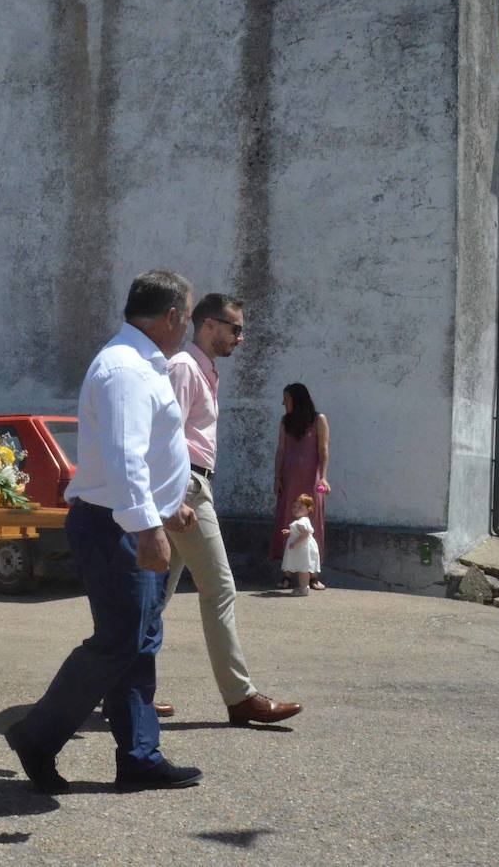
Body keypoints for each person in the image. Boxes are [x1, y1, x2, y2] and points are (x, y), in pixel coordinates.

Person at [5, 270, 202, 794]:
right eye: (188, 316)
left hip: (129, 519)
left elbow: (143, 455)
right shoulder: (125, 369)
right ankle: (37, 736)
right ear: (173, 316)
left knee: (139, 641)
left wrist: (166, 508)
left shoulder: (142, 364)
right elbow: (122, 457)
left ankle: (139, 757)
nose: (186, 326)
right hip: (114, 525)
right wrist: (147, 526)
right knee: (118, 642)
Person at [163, 293, 303, 725]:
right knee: (220, 589)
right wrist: (176, 495)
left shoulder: (203, 371)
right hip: (187, 484)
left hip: (191, 483)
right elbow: (164, 435)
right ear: (208, 325)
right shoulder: (184, 369)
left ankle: (124, 692)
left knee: (153, 598)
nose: (240, 338)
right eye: (235, 328)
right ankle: (240, 697)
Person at [269, 383, 330, 589]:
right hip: (289, 480)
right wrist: (277, 476)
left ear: (297, 399)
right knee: (288, 523)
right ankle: (286, 574)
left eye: (286, 398)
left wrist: (323, 477)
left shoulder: (318, 420)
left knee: (314, 525)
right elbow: (281, 449)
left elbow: (323, 450)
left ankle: (313, 576)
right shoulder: (285, 422)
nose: (283, 403)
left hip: (312, 481)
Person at [281, 495, 321, 596]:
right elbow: (300, 532)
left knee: (303, 569)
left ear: (308, 510)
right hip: (304, 548)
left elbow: (305, 534)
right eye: (294, 506)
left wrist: (294, 543)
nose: (296, 509)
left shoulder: (300, 522)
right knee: (302, 568)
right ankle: (303, 587)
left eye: (300, 507)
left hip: (302, 548)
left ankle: (304, 589)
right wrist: (290, 532)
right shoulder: (303, 520)